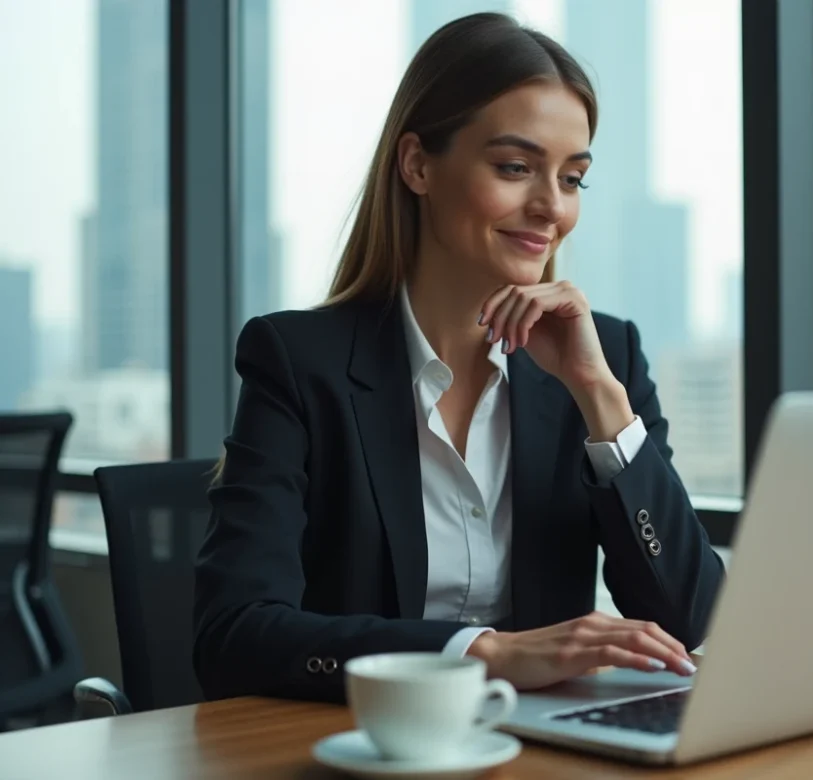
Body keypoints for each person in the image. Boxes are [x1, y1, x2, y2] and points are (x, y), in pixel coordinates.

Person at [193, 12, 725, 703]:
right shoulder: (298, 362)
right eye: (514, 168)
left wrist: (601, 400)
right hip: (362, 745)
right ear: (417, 164)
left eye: (572, 179)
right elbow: (233, 636)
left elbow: (690, 620)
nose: (550, 207)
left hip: (538, 749)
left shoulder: (605, 355)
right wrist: (481, 654)